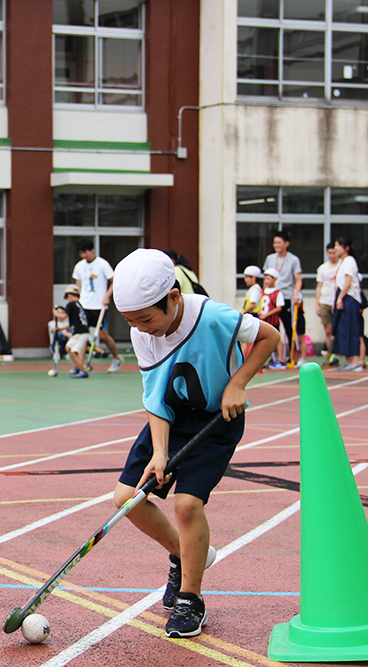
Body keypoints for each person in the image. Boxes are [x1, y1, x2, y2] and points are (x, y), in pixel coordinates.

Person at [110, 249, 279, 638]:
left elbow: (270, 336)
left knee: (186, 504)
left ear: (172, 298)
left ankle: (191, 597)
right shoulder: (142, 334)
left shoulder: (213, 316)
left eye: (146, 319)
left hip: (216, 420)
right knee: (126, 498)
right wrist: (160, 454)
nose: (140, 328)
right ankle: (185, 555)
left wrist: (238, 384)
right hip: (171, 414)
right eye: (131, 322)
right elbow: (154, 398)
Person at [72, 239, 122, 372]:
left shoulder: (102, 264)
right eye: (81, 253)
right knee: (82, 336)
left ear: (92, 250)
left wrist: (107, 296)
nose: (84, 255)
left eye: (86, 252)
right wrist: (79, 300)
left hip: (99, 306)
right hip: (84, 305)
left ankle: (117, 358)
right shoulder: (79, 266)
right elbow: (78, 284)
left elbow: (114, 280)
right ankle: (80, 365)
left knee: (103, 335)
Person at [262, 230, 304, 365]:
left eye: (279, 242)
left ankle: (293, 356)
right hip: (271, 296)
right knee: (272, 327)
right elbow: (266, 278)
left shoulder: (293, 259)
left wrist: (296, 293)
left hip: (286, 296)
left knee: (290, 327)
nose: (276, 245)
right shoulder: (270, 258)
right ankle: (274, 357)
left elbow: (298, 279)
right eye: (275, 242)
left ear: (286, 243)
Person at [331, 237, 363, 371]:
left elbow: (348, 281)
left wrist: (341, 298)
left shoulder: (349, 260)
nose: (335, 248)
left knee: (352, 329)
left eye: (338, 246)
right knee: (342, 330)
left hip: (350, 297)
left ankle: (355, 361)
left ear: (346, 248)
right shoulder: (342, 262)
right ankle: (348, 360)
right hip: (342, 295)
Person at [314, 242, 339, 366]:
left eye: (334, 252)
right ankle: (330, 354)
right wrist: (317, 304)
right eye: (330, 253)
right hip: (324, 301)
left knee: (338, 330)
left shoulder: (341, 266)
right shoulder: (322, 268)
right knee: (328, 331)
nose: (332, 255)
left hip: (338, 302)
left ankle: (337, 354)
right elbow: (319, 286)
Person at [62, 284, 91, 378]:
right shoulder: (80, 306)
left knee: (73, 351)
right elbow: (73, 322)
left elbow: (63, 316)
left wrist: (54, 312)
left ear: (69, 296)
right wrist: (60, 329)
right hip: (80, 332)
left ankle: (83, 370)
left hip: (80, 333)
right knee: (68, 348)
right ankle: (78, 366)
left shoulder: (71, 304)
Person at [259, 268, 285, 368]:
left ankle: (281, 359)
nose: (266, 281)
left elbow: (279, 307)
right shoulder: (262, 291)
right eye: (265, 278)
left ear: (275, 280)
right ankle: (268, 358)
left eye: (269, 279)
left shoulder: (277, 293)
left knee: (277, 339)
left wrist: (267, 314)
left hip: (272, 320)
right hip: (263, 320)